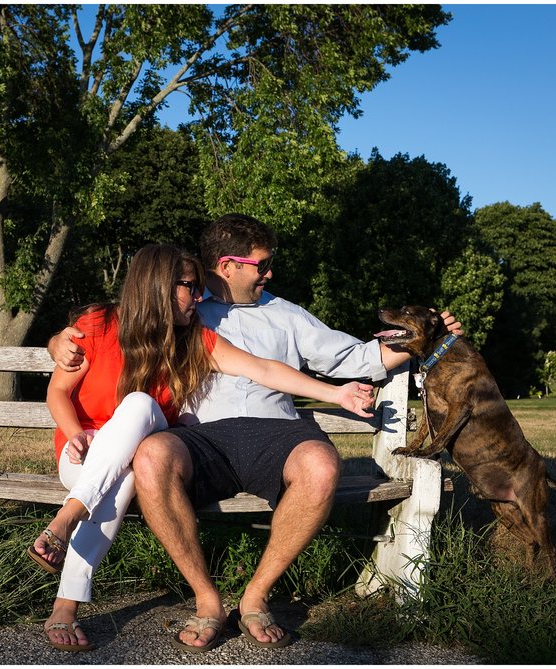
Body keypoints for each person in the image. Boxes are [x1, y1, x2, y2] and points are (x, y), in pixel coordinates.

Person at [49, 213, 463, 651]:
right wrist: (58, 340)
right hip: (201, 439)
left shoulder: (286, 315)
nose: (270, 273)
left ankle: (255, 596)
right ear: (227, 266)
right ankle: (207, 600)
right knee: (149, 457)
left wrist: (431, 337)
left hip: (275, 433)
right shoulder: (185, 313)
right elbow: (112, 325)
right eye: (262, 265)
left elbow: (354, 358)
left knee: (322, 464)